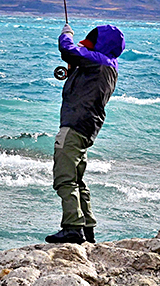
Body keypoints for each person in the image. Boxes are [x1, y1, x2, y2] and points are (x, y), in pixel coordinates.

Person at [46, 23, 125, 245]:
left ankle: (72, 228)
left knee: (65, 177)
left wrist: (66, 34)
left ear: (99, 42)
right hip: (88, 127)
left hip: (74, 125)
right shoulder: (109, 65)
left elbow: (67, 49)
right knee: (78, 178)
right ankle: (87, 228)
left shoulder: (97, 61)